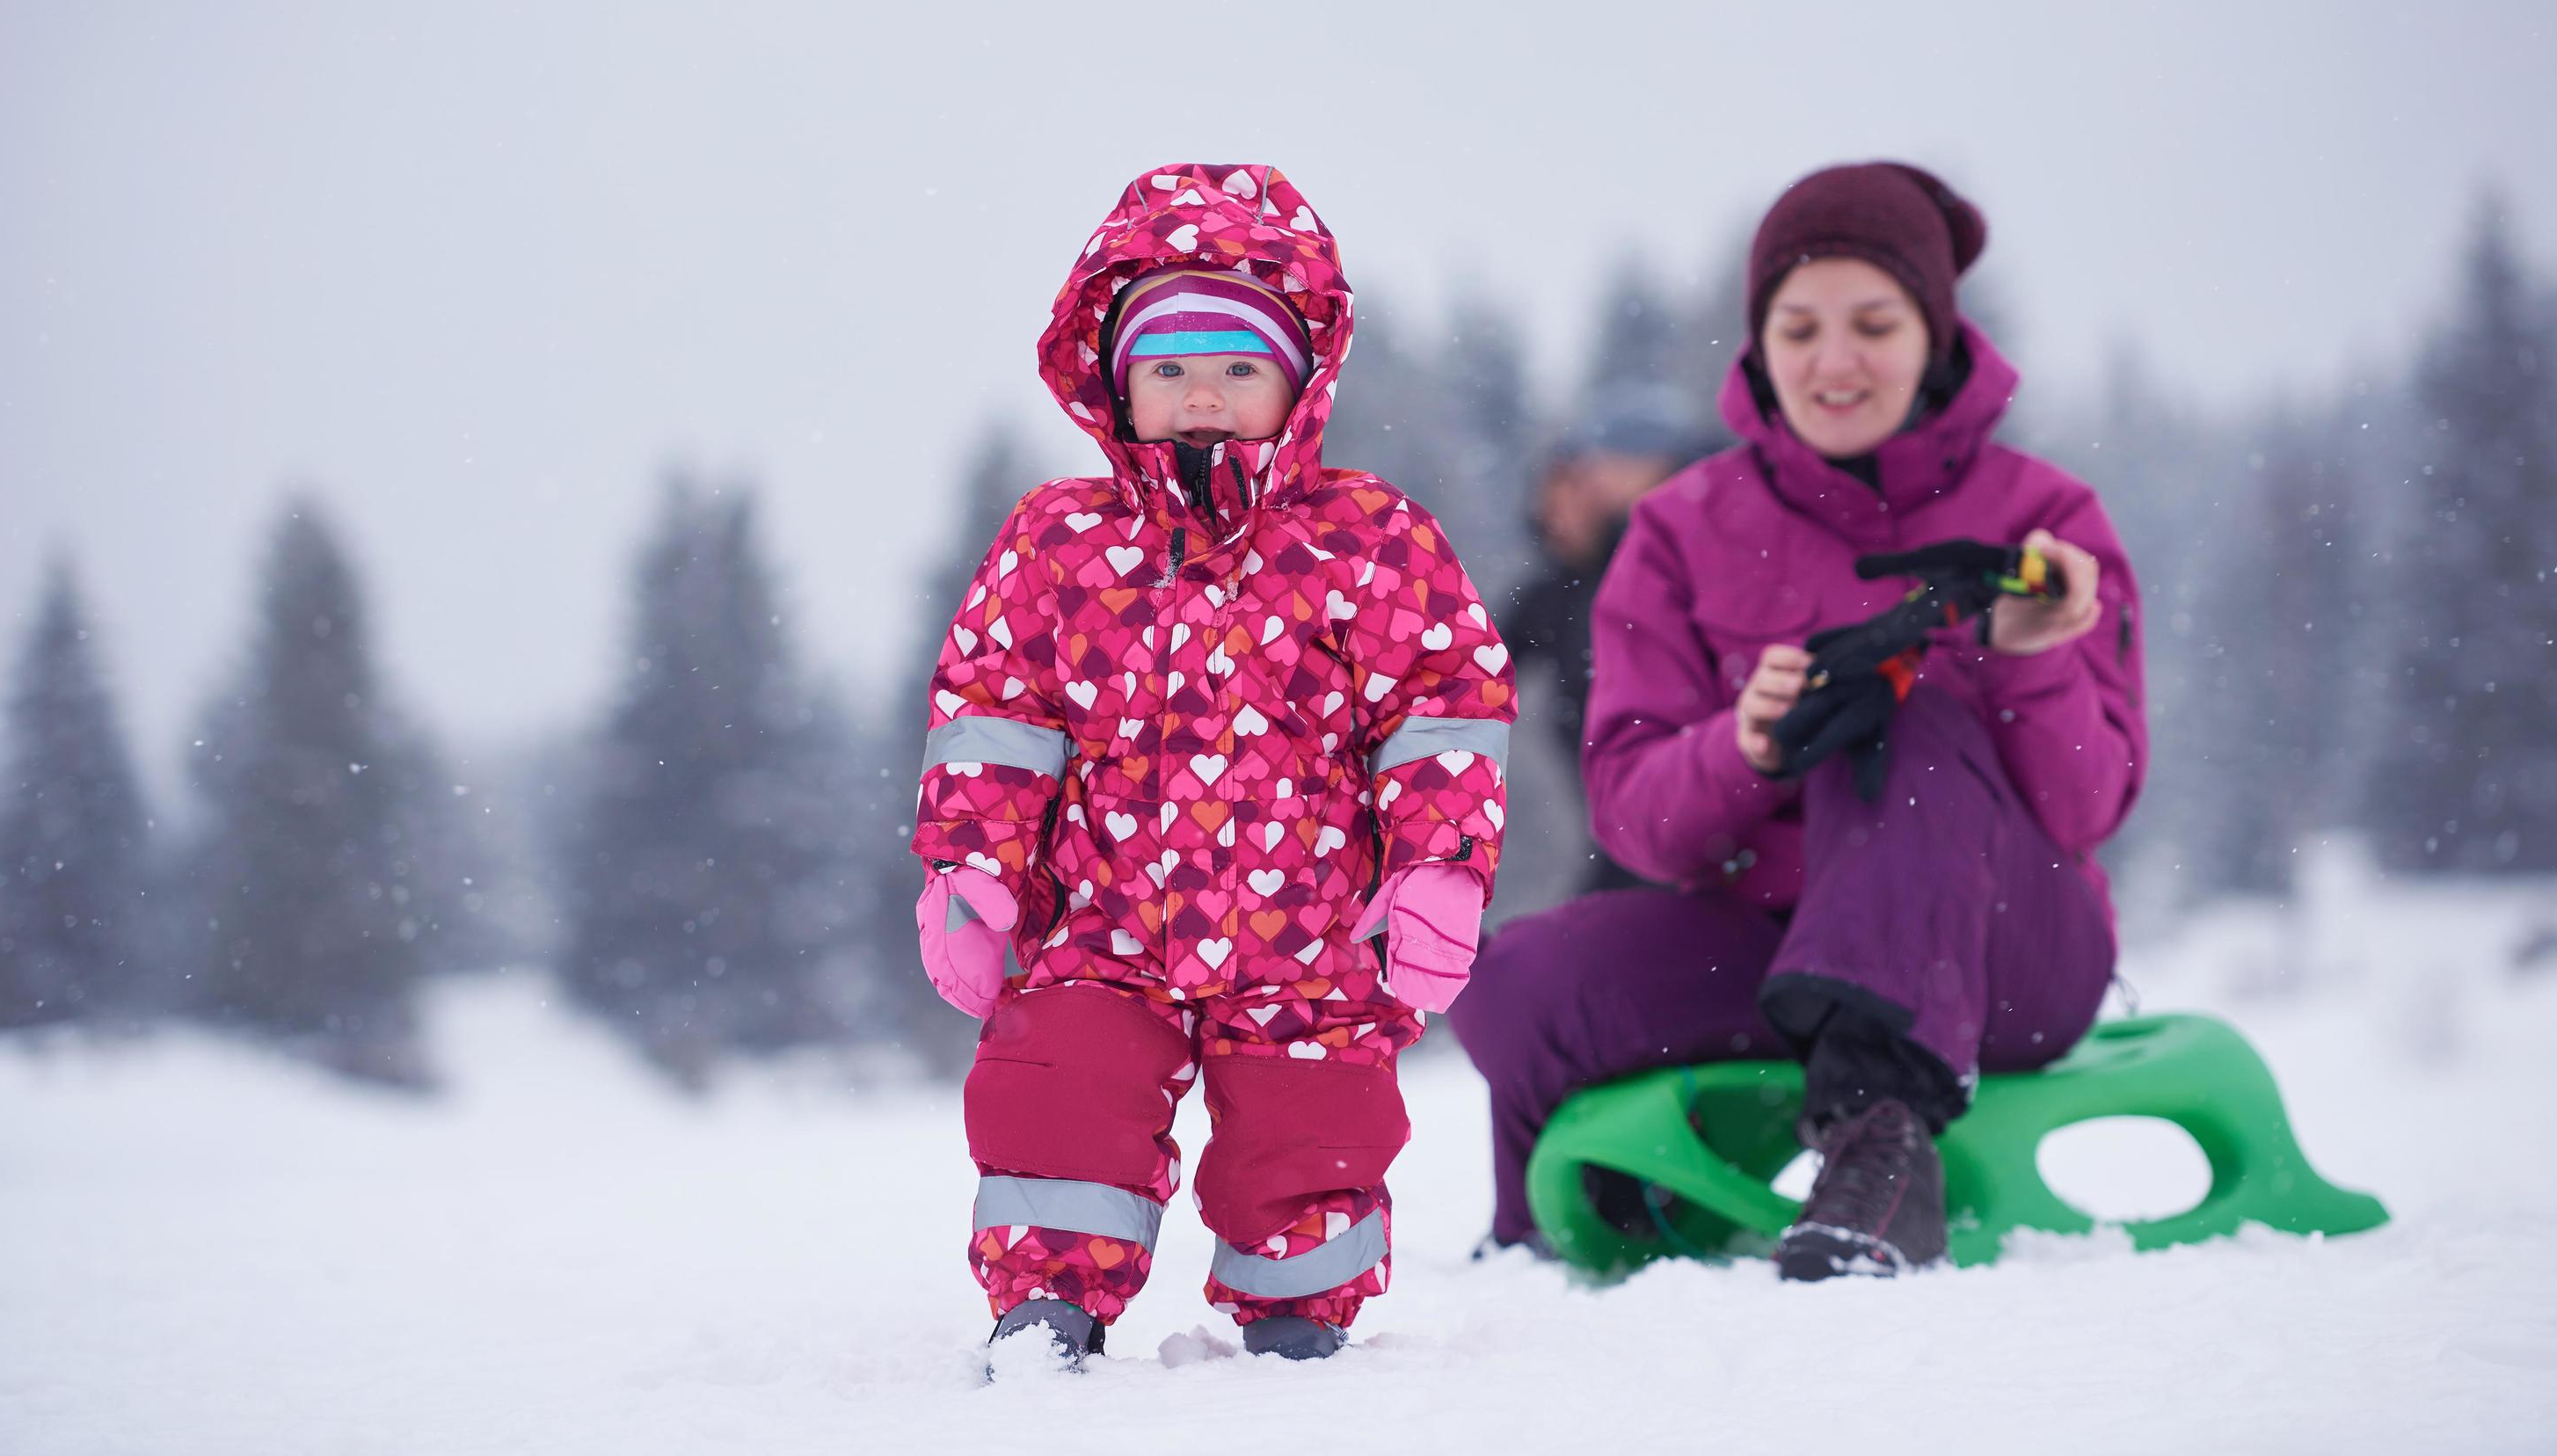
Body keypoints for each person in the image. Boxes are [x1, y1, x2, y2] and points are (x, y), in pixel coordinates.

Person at [1454, 161, 2144, 1280]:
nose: (1834, 360)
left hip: (2007, 947)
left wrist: (2032, 658)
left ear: (1933, 331)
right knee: (1517, 981)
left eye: (1873, 322)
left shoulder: (2044, 517)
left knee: (1903, 719)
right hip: (1777, 942)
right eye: (1800, 325)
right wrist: (1743, 745)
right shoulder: (1680, 530)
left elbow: (2088, 802)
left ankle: (1880, 1146)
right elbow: (1634, 821)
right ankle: (1565, 1218)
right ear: (1759, 341)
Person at [911, 164, 1517, 1368]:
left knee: (1314, 1130)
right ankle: (1048, 1306)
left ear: (1296, 382)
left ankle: (1298, 1307)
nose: (1202, 398)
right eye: (1170, 370)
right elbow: (994, 715)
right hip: (1099, 924)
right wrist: (972, 871)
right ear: (1116, 384)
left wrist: (1439, 869)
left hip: (1308, 929)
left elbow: (1441, 709)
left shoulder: (1365, 536)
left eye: (1237, 369)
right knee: (1056, 1095)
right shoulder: (1059, 540)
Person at [1500, 386, 1715, 896]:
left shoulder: (1659, 573)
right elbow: (1464, 673)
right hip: (1624, 838)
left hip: (1693, 824)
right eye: (1560, 485)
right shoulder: (1552, 595)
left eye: (1590, 481)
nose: (1566, 503)